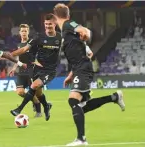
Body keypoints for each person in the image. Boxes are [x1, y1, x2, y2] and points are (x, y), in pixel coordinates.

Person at [53, 3, 125, 146]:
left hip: (84, 68)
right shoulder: (67, 33)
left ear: (56, 17)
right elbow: (77, 54)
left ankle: (81, 139)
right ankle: (114, 97)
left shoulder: (68, 24)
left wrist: (86, 33)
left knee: (73, 100)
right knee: (82, 106)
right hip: (79, 68)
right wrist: (71, 74)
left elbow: (84, 30)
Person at [10, 13, 62, 121]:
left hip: (50, 70)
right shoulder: (39, 37)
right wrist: (9, 55)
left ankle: (19, 109)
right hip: (38, 69)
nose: (48, 26)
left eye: (50, 24)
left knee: (34, 85)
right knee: (38, 93)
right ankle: (46, 106)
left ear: (55, 24)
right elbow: (24, 49)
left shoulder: (60, 37)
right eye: (46, 24)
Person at [9, 24, 42, 117]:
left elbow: (37, 55)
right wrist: (14, 68)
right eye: (22, 31)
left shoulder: (32, 43)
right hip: (21, 71)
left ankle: (38, 111)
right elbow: (19, 59)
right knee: (20, 92)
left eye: (25, 31)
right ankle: (36, 102)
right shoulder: (19, 45)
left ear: (28, 32)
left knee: (36, 92)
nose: (24, 32)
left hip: (31, 70)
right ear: (19, 32)